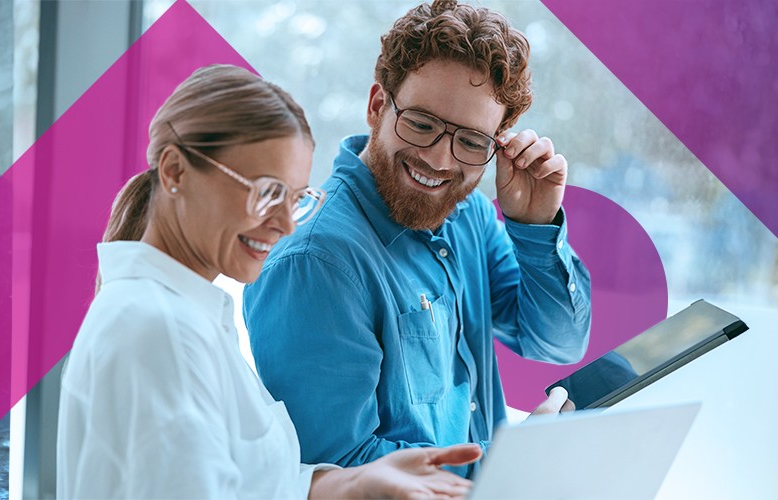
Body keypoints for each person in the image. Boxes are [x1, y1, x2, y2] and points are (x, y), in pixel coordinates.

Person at [56, 64, 483, 499]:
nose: (285, 225)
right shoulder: (161, 332)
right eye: (266, 192)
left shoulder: (181, 317)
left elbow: (247, 485)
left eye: (295, 199)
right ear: (175, 172)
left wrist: (352, 482)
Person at [243, 0, 591, 478]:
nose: (440, 160)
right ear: (377, 107)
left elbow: (557, 342)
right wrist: (509, 465)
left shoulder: (467, 215)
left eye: (470, 141)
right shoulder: (317, 262)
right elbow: (336, 470)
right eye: (422, 124)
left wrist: (535, 226)